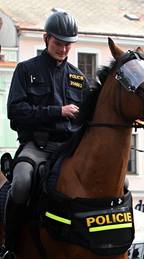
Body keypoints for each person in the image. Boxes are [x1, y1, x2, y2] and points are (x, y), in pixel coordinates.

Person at [3, 11, 87, 258]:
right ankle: (9, 247)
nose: (63, 49)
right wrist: (57, 111)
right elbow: (15, 111)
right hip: (37, 147)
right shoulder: (26, 70)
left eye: (67, 44)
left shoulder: (80, 79)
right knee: (20, 184)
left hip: (69, 150)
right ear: (46, 39)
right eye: (58, 43)